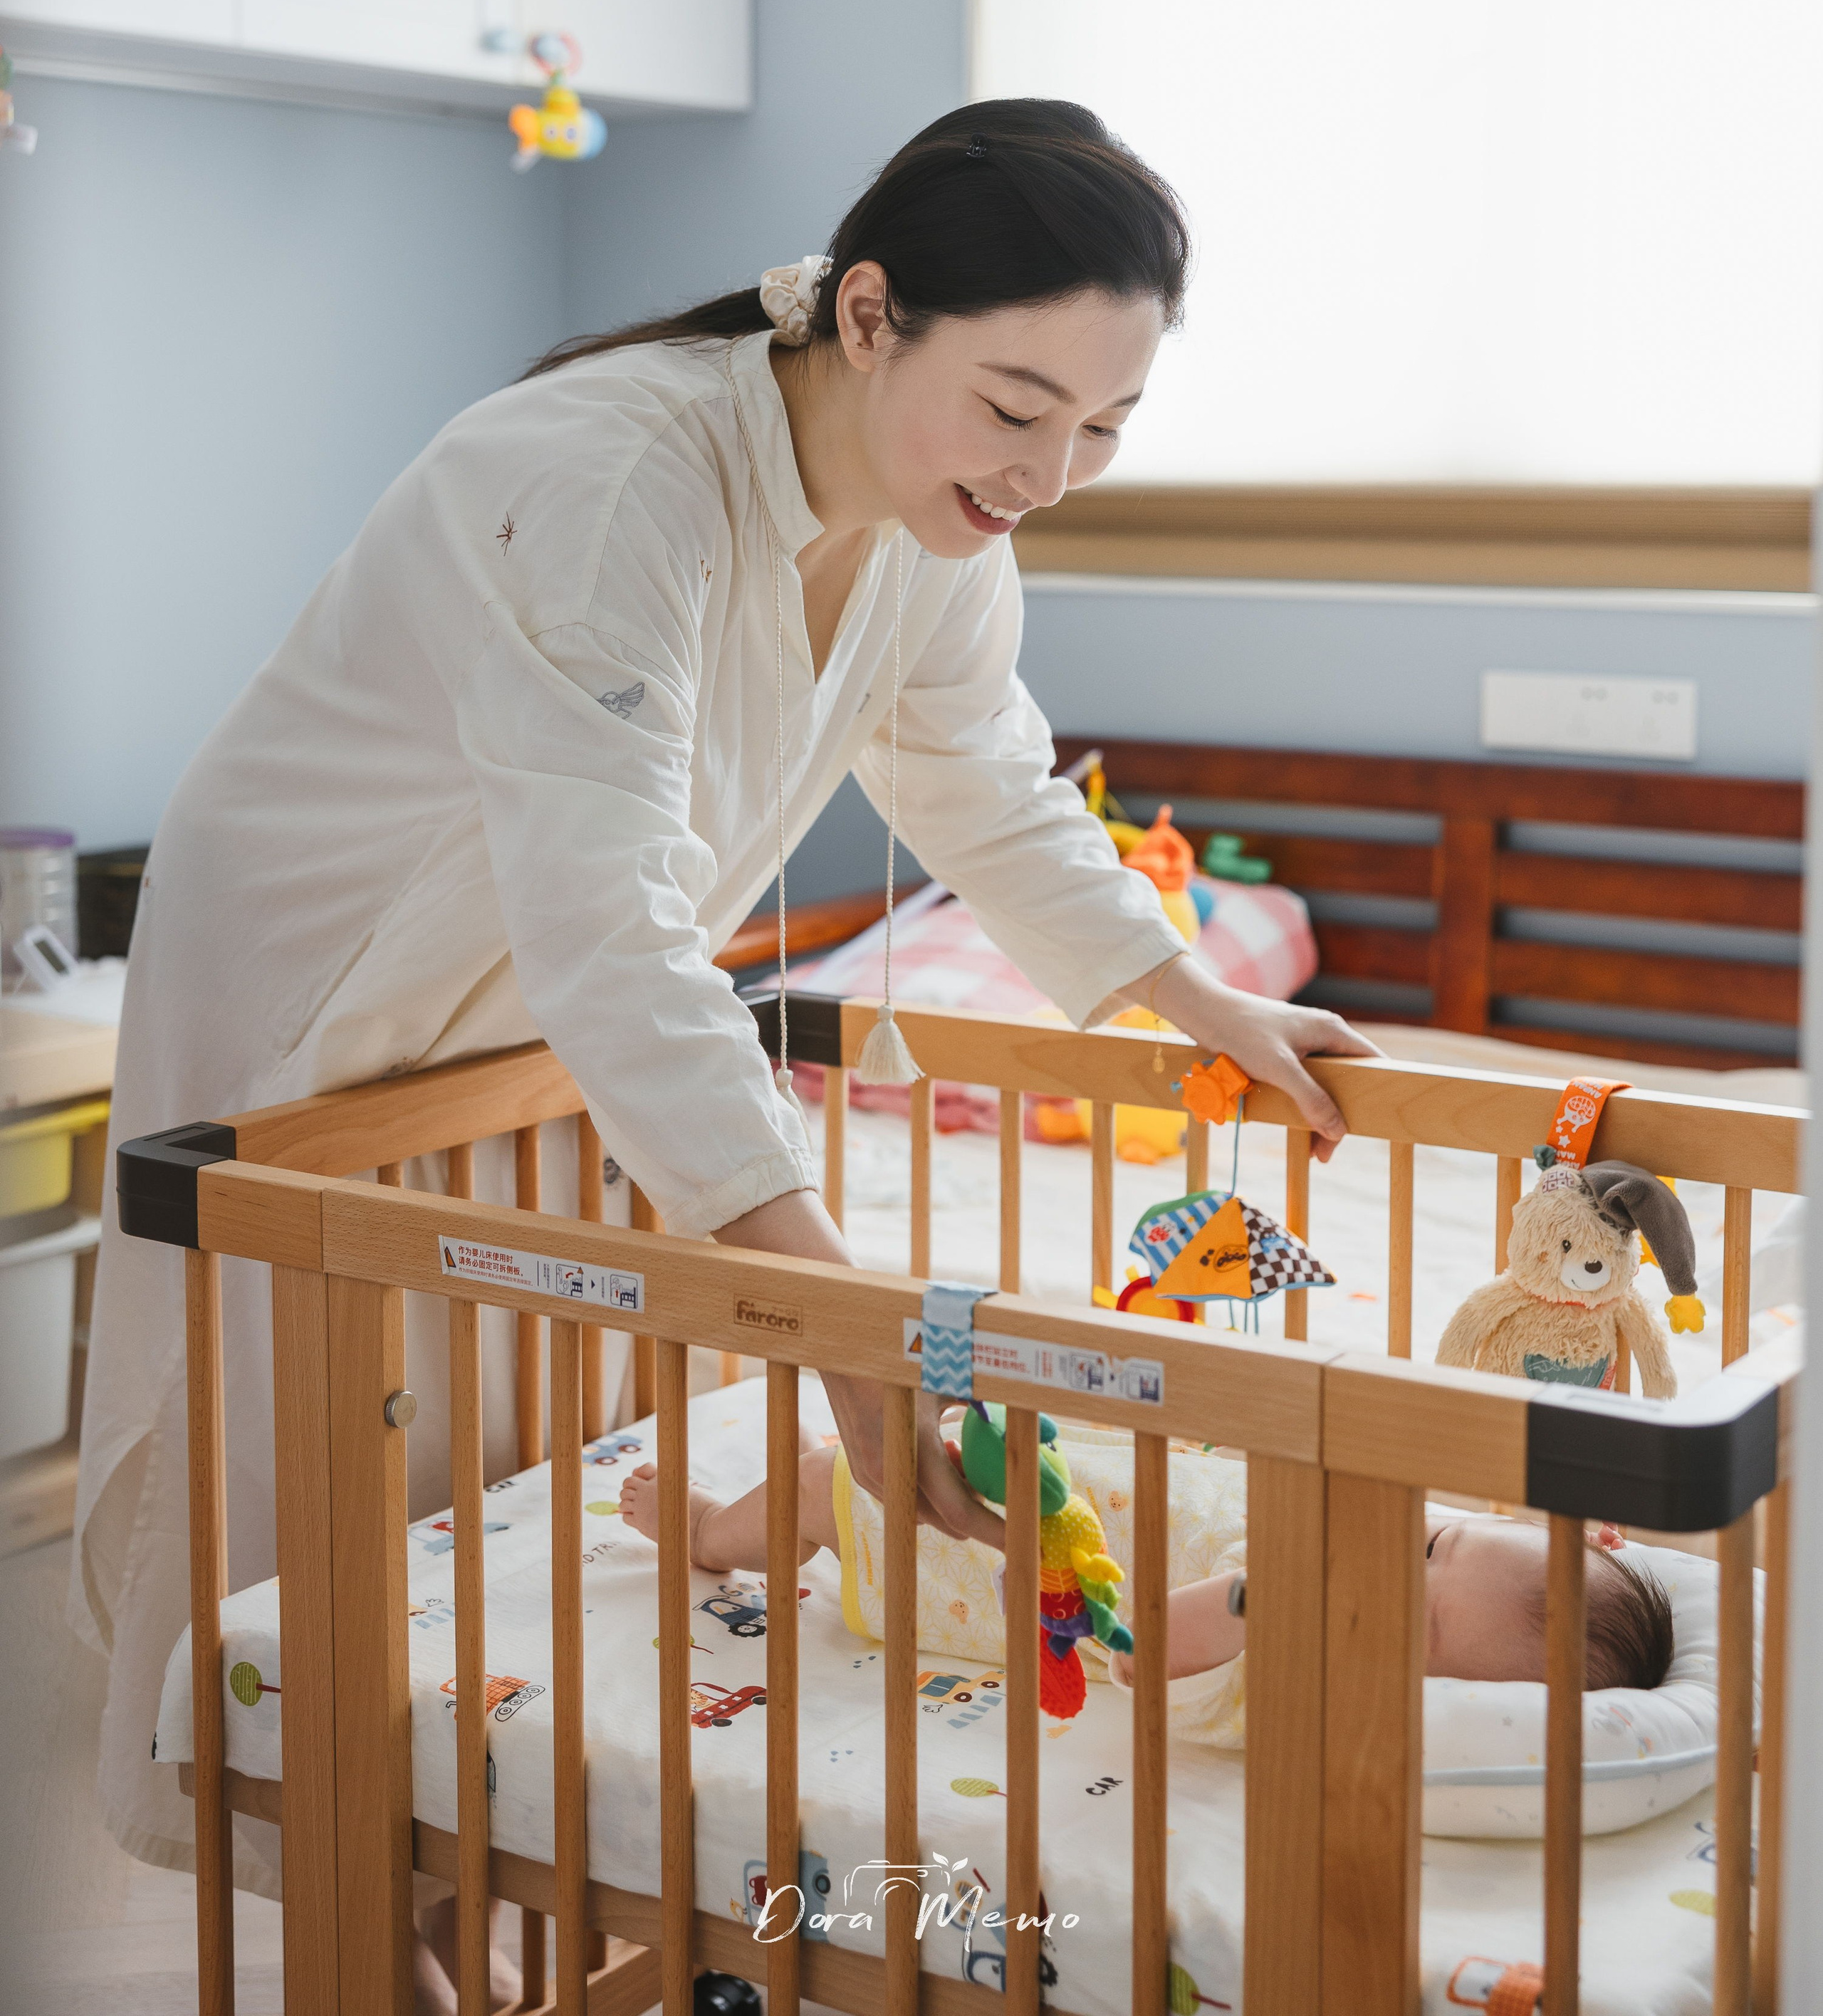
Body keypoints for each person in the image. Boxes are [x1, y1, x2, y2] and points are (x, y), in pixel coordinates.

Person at [73, 98, 1376, 1896]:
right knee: (315, 1443)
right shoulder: (626, 479)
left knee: (506, 1433)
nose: (1051, 471)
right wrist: (843, 1317)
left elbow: (980, 777)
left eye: (1103, 426)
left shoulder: (941, 521)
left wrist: (1191, 998)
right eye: (1015, 408)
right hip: (331, 958)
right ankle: (349, 1892)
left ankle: (464, 1857)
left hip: (536, 977)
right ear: (863, 314)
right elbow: (616, 920)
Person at [617, 1424, 1676, 1743]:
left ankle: (711, 1528)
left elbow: (1142, 1650)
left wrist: (1267, 1593)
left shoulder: (1268, 1670)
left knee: (825, 1485)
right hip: (1044, 1479)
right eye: (1433, 1545)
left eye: (1407, 1621)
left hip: (956, 1558)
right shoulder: (1389, 1512)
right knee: (851, 1448)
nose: (1387, 1568)